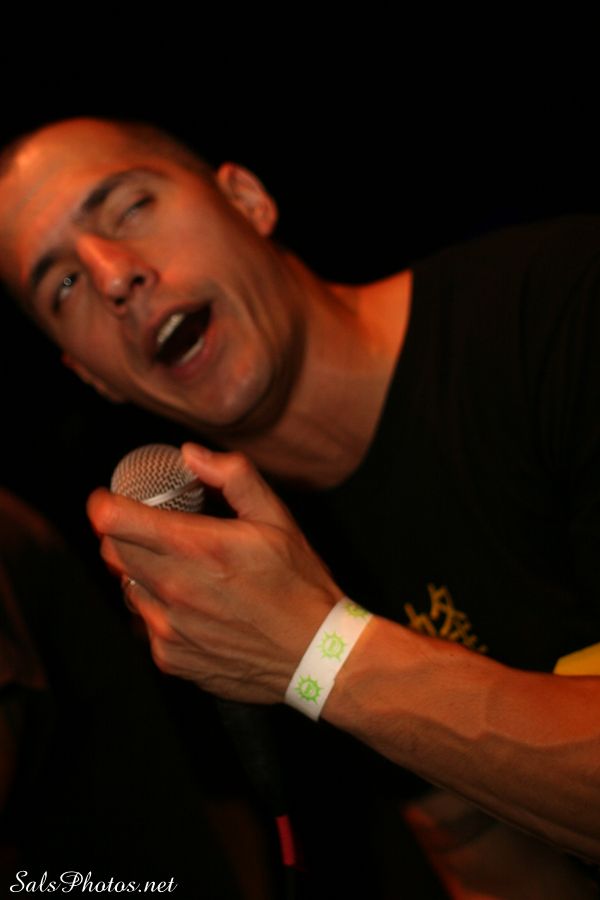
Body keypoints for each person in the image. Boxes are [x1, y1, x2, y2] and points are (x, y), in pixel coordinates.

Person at [0, 117, 598, 896]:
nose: (113, 276)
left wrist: (317, 651)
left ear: (247, 200)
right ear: (89, 375)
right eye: (63, 286)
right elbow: (482, 852)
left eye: (130, 207)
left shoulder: (559, 306)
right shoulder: (235, 581)